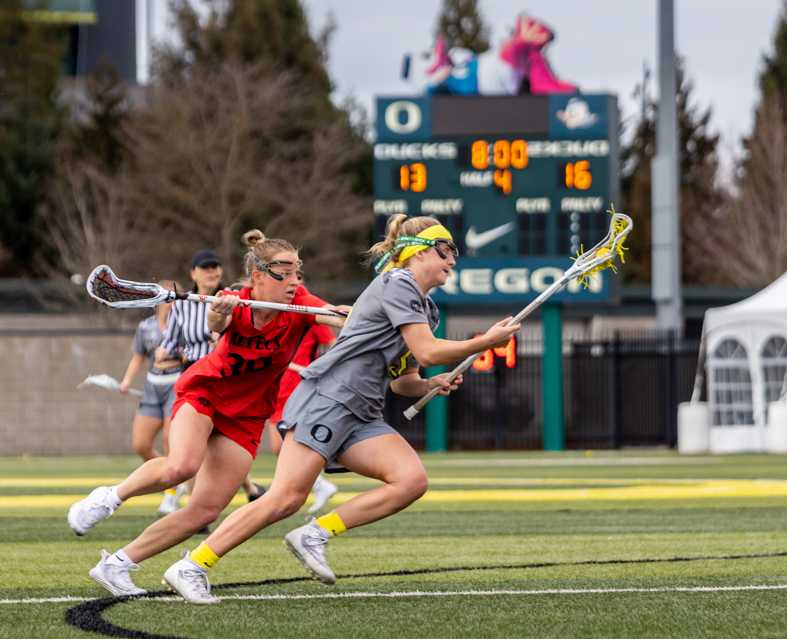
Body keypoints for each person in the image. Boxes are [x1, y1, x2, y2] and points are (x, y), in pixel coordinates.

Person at [160, 215, 519, 604]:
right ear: (416, 253)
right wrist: (484, 342)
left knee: (410, 480)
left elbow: (403, 379)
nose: (453, 258)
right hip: (328, 399)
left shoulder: (426, 308)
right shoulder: (397, 284)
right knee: (283, 498)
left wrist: (430, 383)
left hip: (363, 412)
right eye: (445, 249)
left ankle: (314, 534)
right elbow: (429, 350)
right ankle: (193, 565)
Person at [67, 230, 347, 596]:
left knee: (205, 511)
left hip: (246, 415)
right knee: (181, 466)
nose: (295, 281)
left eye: (298, 272)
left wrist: (352, 315)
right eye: (287, 272)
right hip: (206, 393)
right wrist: (217, 313)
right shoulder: (233, 299)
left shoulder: (302, 303)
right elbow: (217, 324)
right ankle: (108, 497)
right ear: (260, 275)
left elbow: (337, 320)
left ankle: (116, 566)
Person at [160, 248, 266, 502]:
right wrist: (164, 354)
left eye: (215, 267)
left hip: (226, 375)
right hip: (196, 375)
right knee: (188, 445)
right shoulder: (183, 305)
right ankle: (199, 503)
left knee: (222, 442)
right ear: (193, 273)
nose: (212, 272)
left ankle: (246, 491)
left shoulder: (233, 298)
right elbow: (169, 344)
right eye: (206, 268)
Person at [267, 299, 340, 515]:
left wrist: (319, 369)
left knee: (288, 443)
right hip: (275, 386)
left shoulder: (311, 318)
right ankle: (319, 485)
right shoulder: (275, 317)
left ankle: (312, 485)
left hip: (296, 386)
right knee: (277, 446)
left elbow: (332, 344)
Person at [117, 288, 187, 515]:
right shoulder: (145, 327)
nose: (169, 304)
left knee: (170, 439)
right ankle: (173, 480)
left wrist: (172, 351)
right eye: (165, 300)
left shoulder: (186, 323)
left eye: (172, 300)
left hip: (177, 382)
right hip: (152, 384)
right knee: (141, 443)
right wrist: (126, 381)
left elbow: (194, 352)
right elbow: (138, 356)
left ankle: (170, 493)